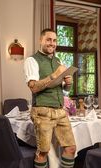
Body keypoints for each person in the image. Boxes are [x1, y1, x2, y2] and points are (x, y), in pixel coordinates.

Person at [24, 28, 76, 168]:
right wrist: (54, 75)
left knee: (71, 148)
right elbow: (33, 87)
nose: (52, 43)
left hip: (60, 110)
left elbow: (63, 89)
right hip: (42, 111)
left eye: (54, 40)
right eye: (48, 39)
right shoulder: (32, 60)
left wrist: (68, 84)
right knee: (43, 152)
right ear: (40, 40)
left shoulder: (58, 60)